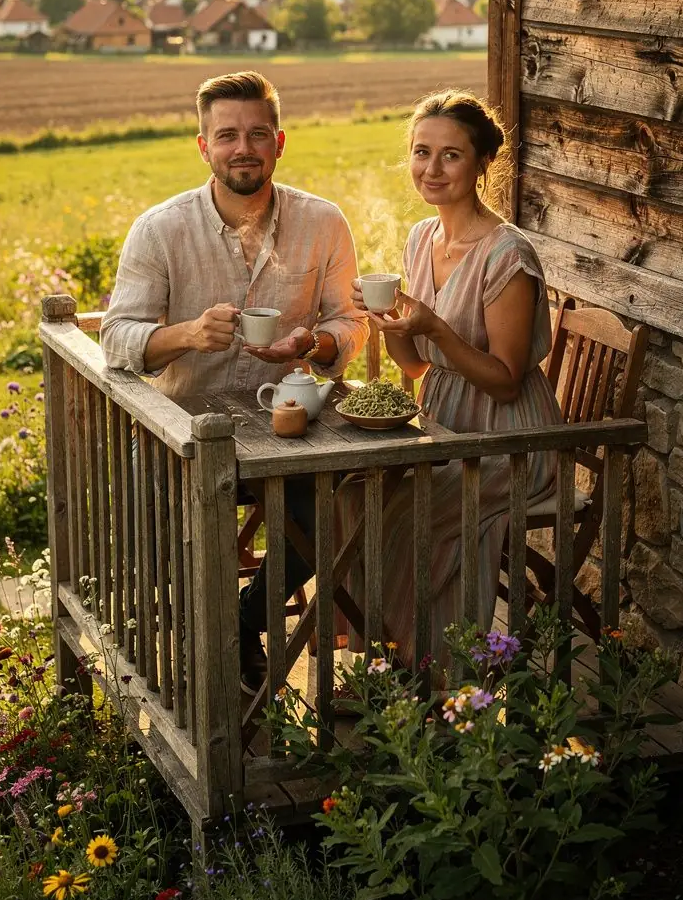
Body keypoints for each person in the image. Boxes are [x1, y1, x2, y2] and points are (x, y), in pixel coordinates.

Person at [100, 69, 368, 692]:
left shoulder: (324, 221)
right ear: (203, 147)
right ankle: (195, 639)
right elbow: (117, 339)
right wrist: (188, 334)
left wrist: (312, 342)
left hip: (287, 425)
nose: (242, 147)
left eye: (256, 133)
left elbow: (347, 322)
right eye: (226, 135)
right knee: (159, 527)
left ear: (279, 142)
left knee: (331, 519)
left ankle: (241, 626)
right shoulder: (160, 228)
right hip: (183, 428)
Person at [340, 88, 563, 664]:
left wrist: (435, 328)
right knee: (352, 497)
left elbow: (507, 380)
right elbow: (414, 367)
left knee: (406, 516)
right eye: (421, 152)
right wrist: (388, 322)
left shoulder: (507, 256)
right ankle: (385, 659)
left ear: (483, 162)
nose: (431, 169)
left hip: (508, 437)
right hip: (442, 424)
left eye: (451, 155)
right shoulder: (421, 238)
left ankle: (437, 673)